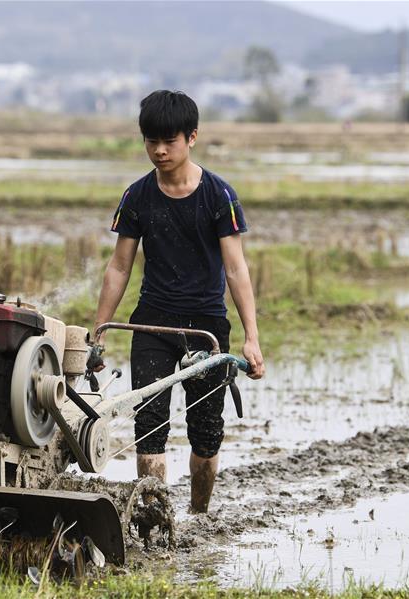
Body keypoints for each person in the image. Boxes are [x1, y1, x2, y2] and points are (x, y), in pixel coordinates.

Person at [93, 90, 265, 513]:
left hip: (205, 327)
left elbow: (236, 269)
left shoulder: (217, 196)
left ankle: (199, 515)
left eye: (169, 141)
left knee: (205, 436)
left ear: (192, 138)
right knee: (148, 428)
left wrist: (251, 338)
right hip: (152, 323)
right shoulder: (136, 197)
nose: (159, 150)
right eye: (151, 141)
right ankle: (156, 521)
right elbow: (119, 267)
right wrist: (98, 329)